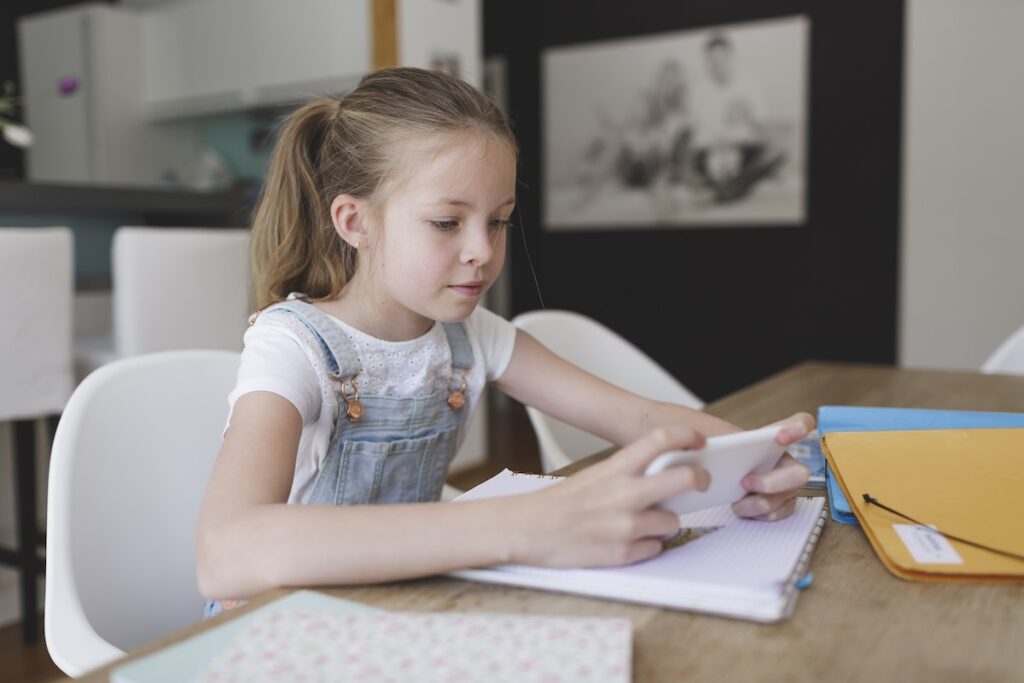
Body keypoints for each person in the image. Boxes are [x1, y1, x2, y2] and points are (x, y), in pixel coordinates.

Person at [196, 67, 812, 614]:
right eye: (447, 222)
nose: (483, 252)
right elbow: (225, 553)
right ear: (354, 222)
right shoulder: (293, 345)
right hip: (283, 624)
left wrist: (756, 460)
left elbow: (641, 416)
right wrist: (526, 523)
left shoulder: (471, 335)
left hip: (404, 604)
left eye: (498, 221)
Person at [690, 33, 785, 202]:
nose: (717, 65)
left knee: (775, 152)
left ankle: (727, 189)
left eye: (721, 59)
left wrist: (736, 138)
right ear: (706, 62)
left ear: (731, 58)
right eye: (712, 61)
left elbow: (761, 127)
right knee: (692, 156)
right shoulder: (699, 91)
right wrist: (717, 145)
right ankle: (731, 187)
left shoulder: (751, 84)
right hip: (713, 150)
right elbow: (698, 135)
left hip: (744, 147)